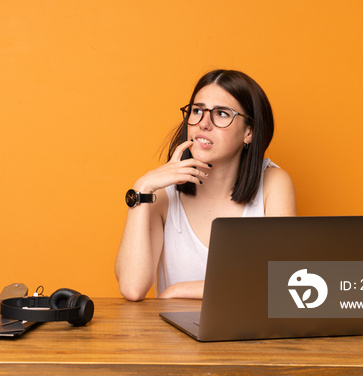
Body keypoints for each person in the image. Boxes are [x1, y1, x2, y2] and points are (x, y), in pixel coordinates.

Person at [115, 69, 296, 301]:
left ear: (249, 132)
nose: (203, 123)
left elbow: (283, 281)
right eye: (197, 111)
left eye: (221, 114)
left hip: (248, 336)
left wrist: (180, 290)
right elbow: (132, 288)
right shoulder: (162, 194)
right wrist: (141, 189)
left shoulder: (273, 183)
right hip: (172, 336)